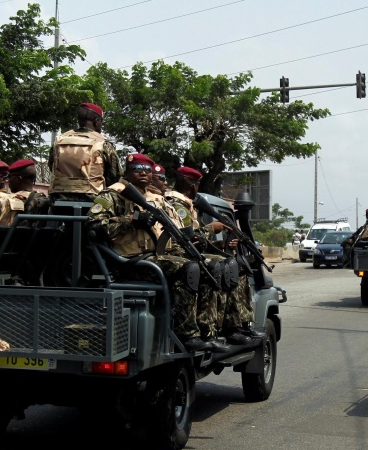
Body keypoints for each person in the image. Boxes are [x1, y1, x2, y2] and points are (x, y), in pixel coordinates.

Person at [87, 153, 217, 352]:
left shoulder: (151, 198)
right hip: (126, 262)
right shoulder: (112, 195)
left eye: (147, 170)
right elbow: (94, 228)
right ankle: (187, 334)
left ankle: (207, 332)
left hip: (152, 257)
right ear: (127, 172)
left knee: (205, 266)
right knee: (188, 269)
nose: (143, 173)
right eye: (137, 169)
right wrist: (130, 221)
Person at [168, 166, 259, 345]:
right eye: (196, 184)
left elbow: (197, 242)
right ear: (193, 186)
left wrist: (222, 244)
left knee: (236, 265)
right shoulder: (179, 206)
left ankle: (237, 324)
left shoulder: (188, 206)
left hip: (189, 253)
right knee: (219, 267)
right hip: (180, 255)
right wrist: (212, 228)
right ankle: (214, 329)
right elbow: (188, 239)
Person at [48, 103, 123, 202]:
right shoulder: (103, 143)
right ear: (96, 122)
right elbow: (115, 176)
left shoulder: (59, 141)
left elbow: (51, 166)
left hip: (58, 197)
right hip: (93, 199)